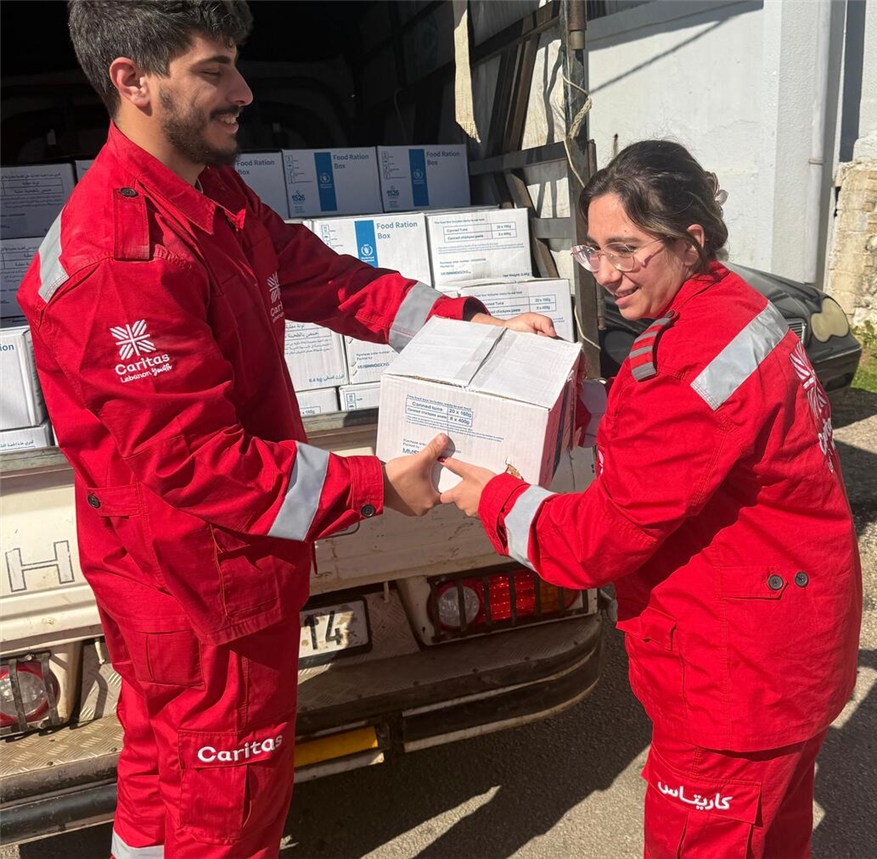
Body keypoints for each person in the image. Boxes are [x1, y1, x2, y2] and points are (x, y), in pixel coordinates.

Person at [16, 2, 553, 857]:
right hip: (203, 588)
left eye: (236, 63)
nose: (243, 90)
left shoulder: (205, 189)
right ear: (133, 82)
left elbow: (319, 277)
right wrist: (377, 486)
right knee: (227, 817)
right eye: (213, 70)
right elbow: (203, 466)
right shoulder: (119, 264)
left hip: (180, 578)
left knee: (162, 781)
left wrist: (468, 321)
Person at [442, 140, 863, 858]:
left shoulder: (689, 360)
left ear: (690, 240)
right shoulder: (733, 305)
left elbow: (595, 541)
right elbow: (693, 442)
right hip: (788, 641)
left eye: (626, 250)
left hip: (735, 679)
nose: (606, 273)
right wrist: (594, 406)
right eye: (593, 251)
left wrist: (495, 498)